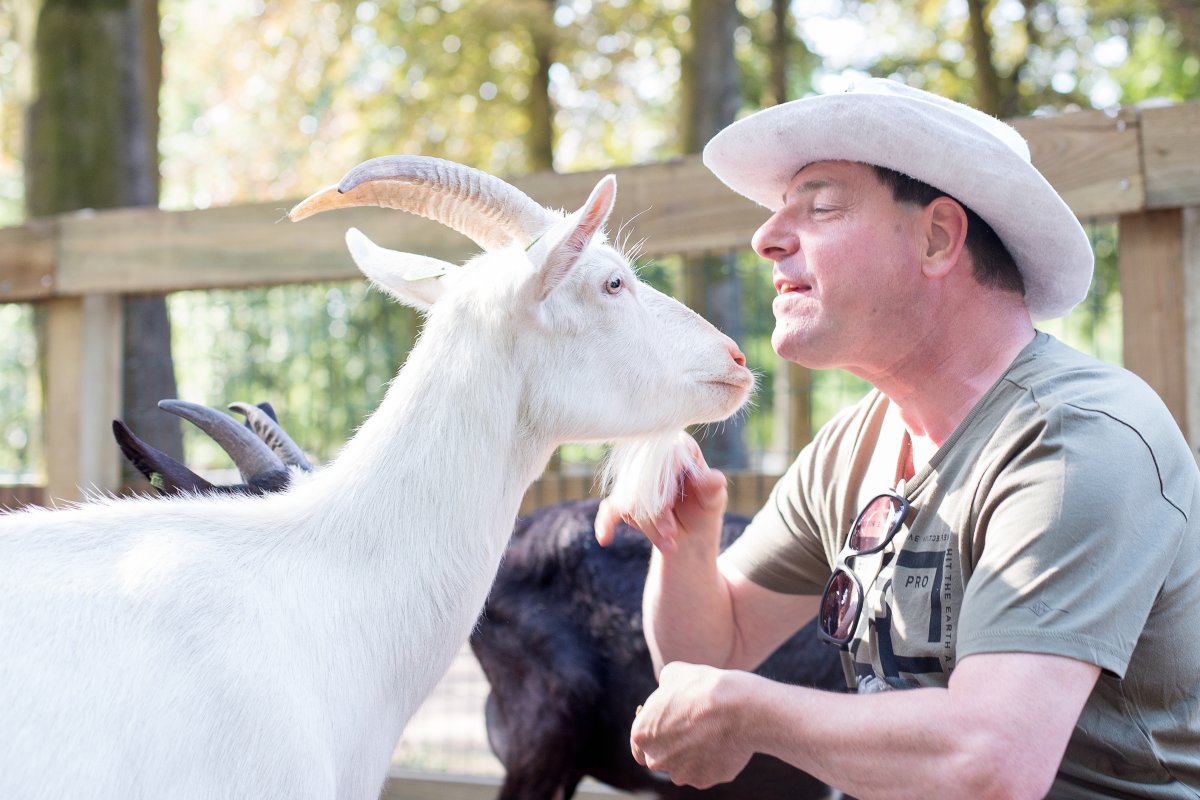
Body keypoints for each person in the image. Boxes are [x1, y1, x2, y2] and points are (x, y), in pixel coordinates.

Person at [595, 78, 1200, 799]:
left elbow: (991, 764)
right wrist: (686, 545)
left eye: (819, 207)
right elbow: (708, 653)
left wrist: (750, 712)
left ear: (937, 237)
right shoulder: (852, 446)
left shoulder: (1077, 441)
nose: (765, 237)